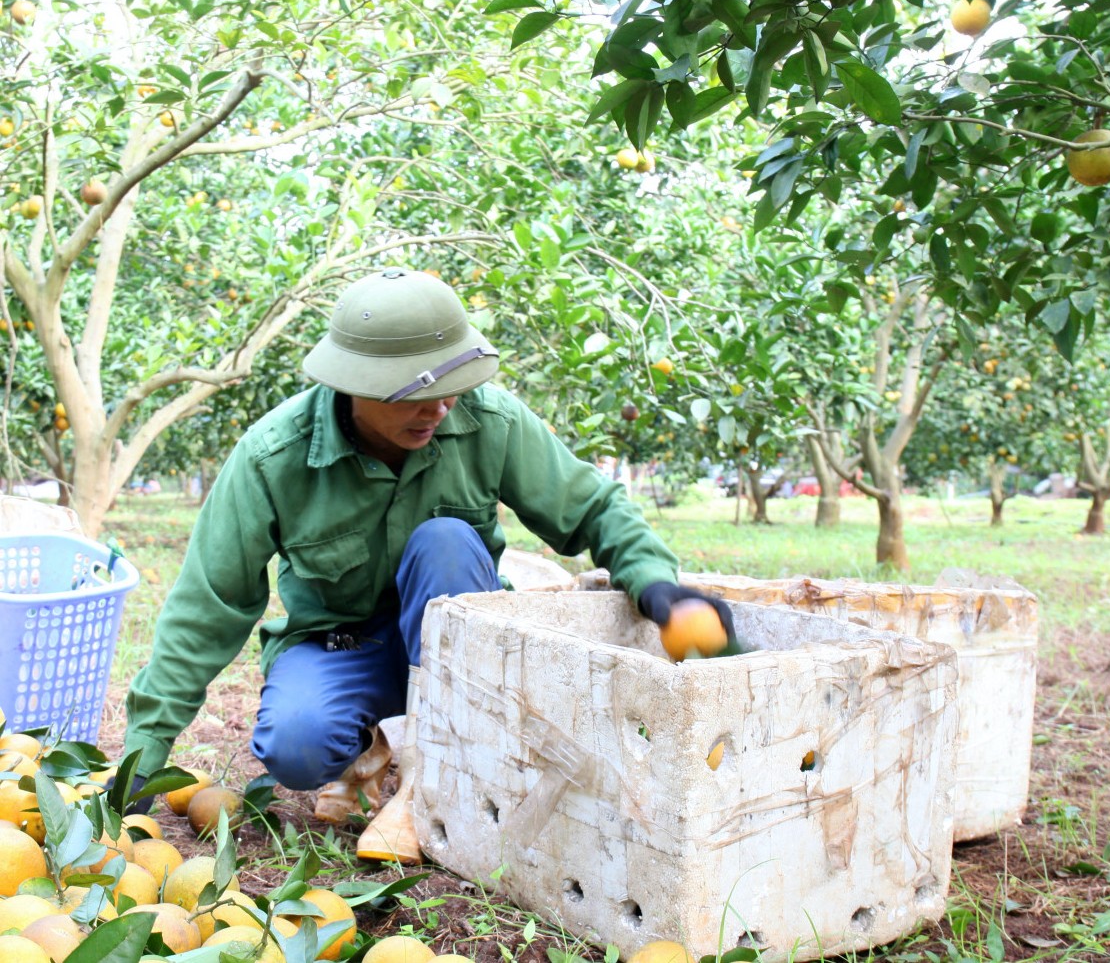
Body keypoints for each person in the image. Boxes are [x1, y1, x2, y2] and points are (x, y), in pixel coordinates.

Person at [123, 268, 734, 863]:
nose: (439, 408)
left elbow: (593, 507)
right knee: (297, 747)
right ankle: (380, 742)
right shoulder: (272, 457)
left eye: (452, 387)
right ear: (353, 386)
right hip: (344, 647)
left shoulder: (488, 419)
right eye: (415, 395)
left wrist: (658, 586)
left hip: (462, 651)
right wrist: (140, 762)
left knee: (447, 539)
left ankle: (430, 785)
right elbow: (208, 606)